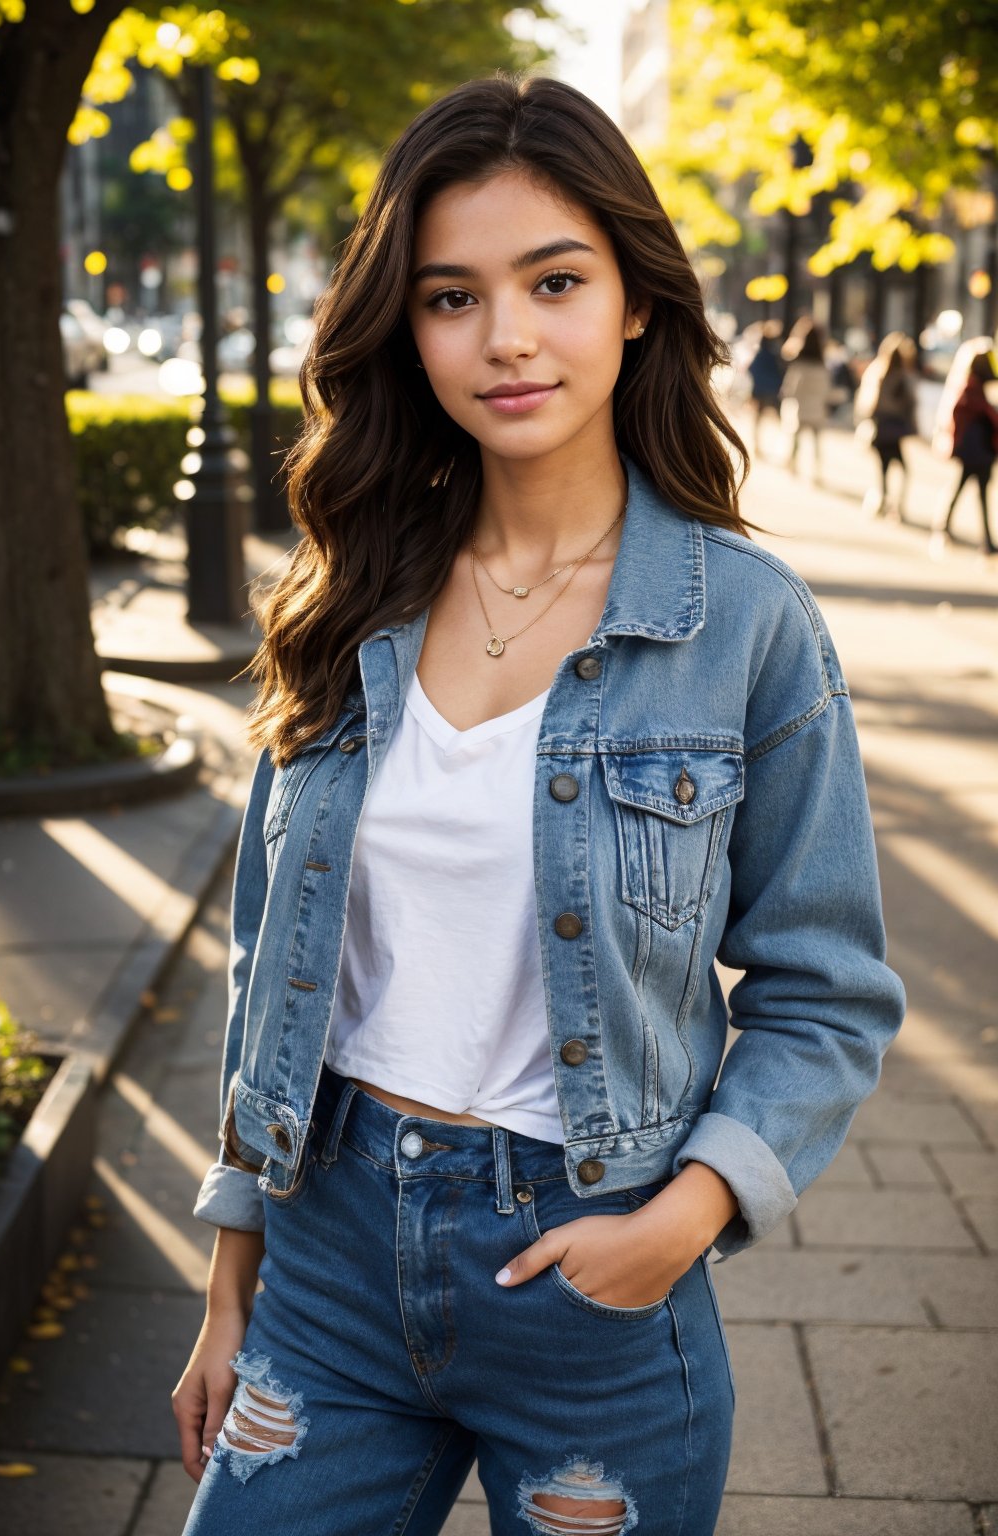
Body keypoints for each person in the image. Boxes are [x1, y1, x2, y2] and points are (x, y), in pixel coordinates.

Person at [172, 74, 905, 1536]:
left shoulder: (747, 627)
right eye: (451, 297)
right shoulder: (346, 597)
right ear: (407, 326)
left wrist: (683, 1221)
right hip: (328, 1251)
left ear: (635, 301)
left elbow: (829, 992)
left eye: (554, 281)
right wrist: (230, 1274)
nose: (505, 337)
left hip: (593, 1282)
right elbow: (274, 960)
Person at [936, 349, 998, 554]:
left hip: (977, 449)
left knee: (970, 491)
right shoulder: (974, 388)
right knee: (972, 491)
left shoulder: (976, 385)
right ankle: (984, 540)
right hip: (978, 449)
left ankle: (983, 539)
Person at [854, 332, 919, 520]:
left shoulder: (877, 371)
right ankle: (896, 506)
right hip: (894, 429)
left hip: (880, 427)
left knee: (883, 469)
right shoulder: (903, 377)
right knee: (903, 469)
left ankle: (883, 502)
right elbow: (911, 405)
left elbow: (866, 401)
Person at [779, 317, 832, 480]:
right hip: (817, 409)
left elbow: (790, 389)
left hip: (799, 409)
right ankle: (817, 471)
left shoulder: (798, 365)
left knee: (796, 440)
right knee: (816, 442)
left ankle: (793, 466)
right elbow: (827, 390)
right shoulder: (822, 366)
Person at [745, 320, 784, 456]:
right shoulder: (775, 355)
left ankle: (758, 445)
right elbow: (781, 372)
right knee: (778, 419)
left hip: (760, 389)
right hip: (772, 390)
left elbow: (751, 369)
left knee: (758, 419)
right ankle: (779, 447)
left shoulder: (761, 354)